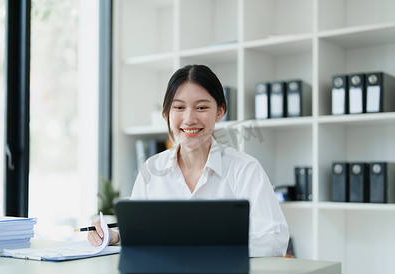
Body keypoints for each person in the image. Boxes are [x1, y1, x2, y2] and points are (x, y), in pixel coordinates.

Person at [88, 64, 289, 257]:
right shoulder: (152, 169)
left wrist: (210, 243)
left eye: (201, 107)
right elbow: (141, 232)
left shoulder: (245, 169)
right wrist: (115, 236)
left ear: (220, 111)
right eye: (179, 107)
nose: (189, 118)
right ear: (167, 113)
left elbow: (275, 240)